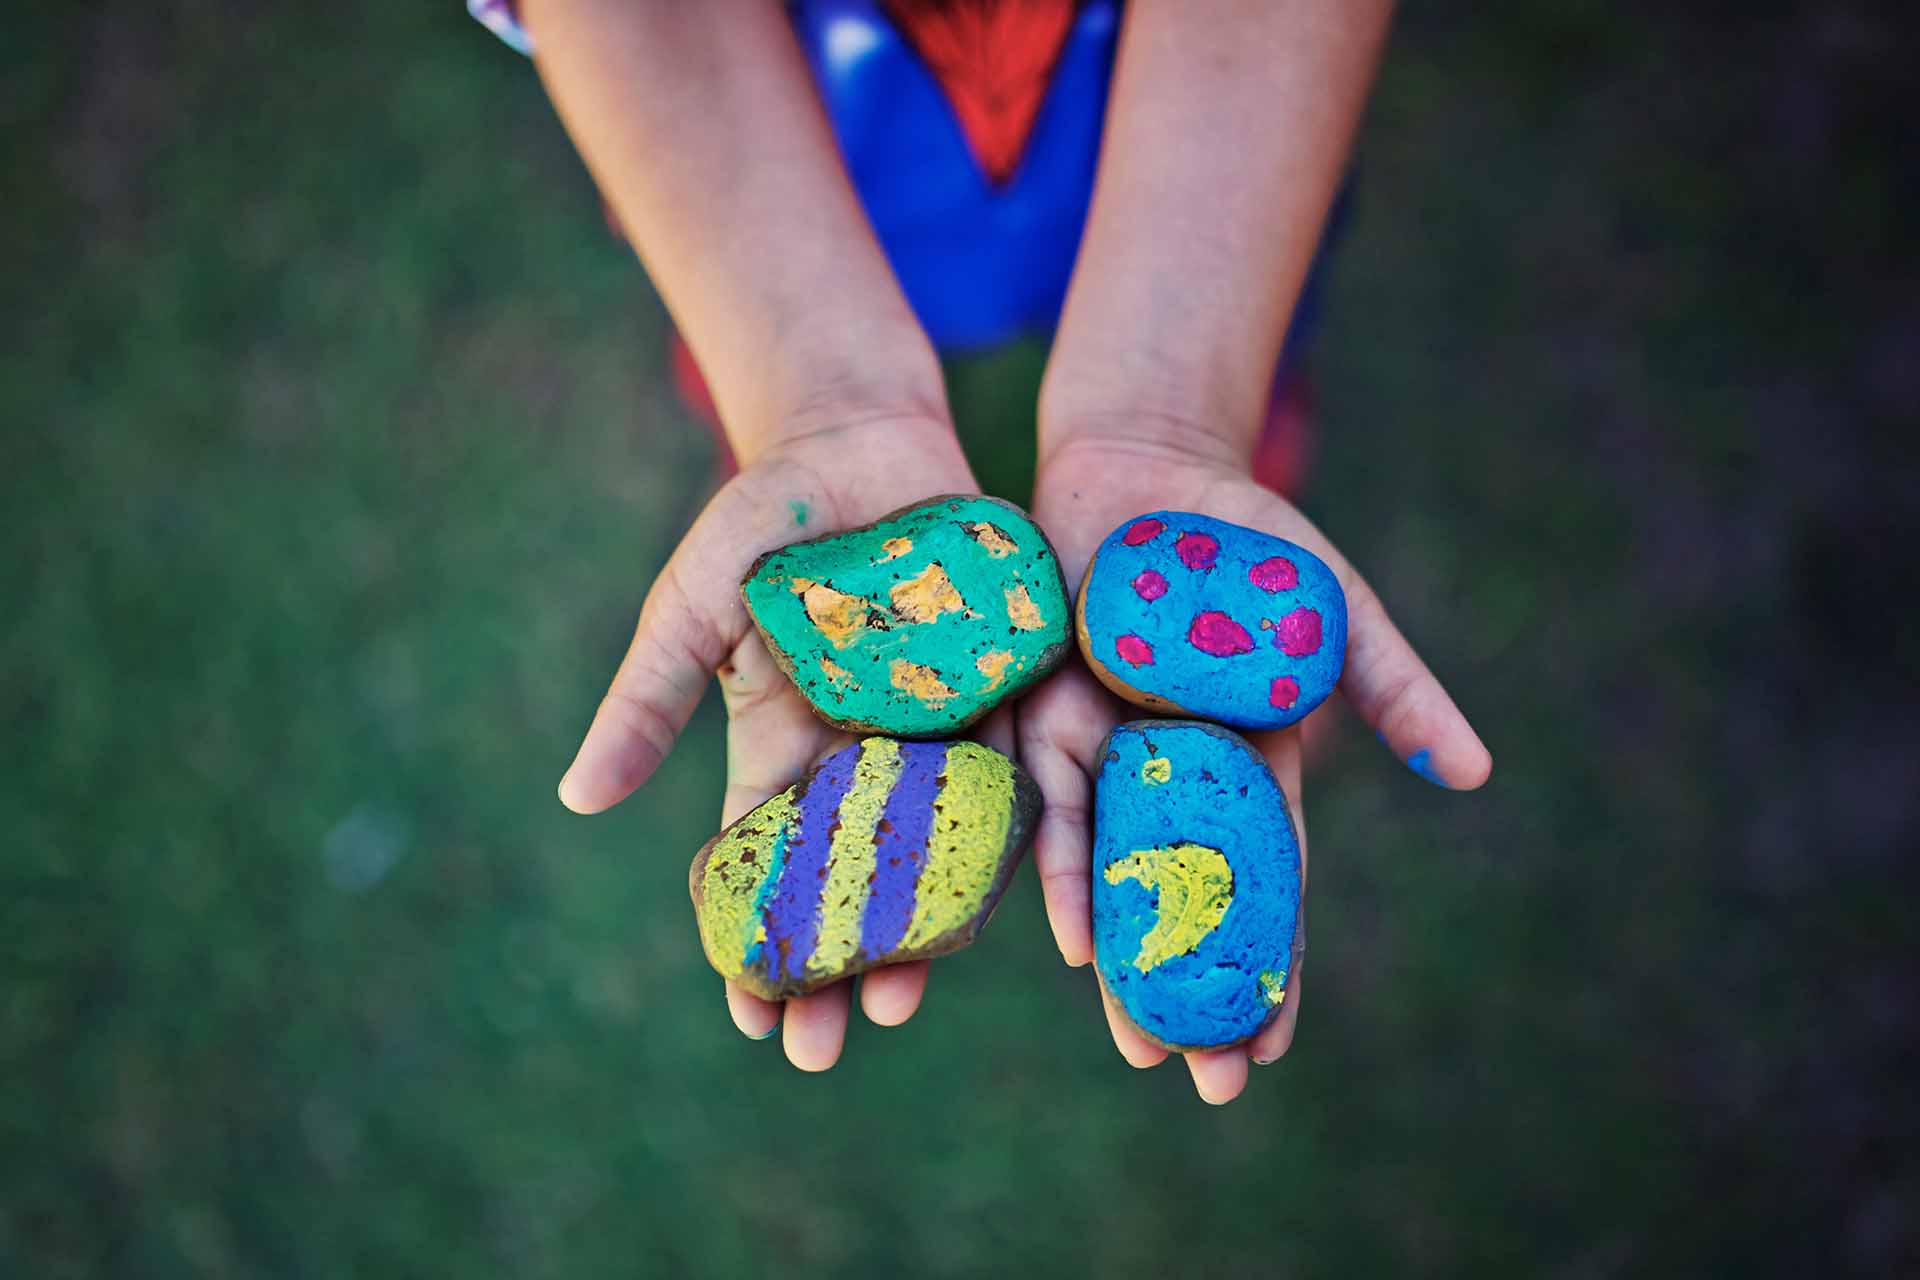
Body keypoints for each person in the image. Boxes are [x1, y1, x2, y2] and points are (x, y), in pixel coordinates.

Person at [477, 0, 1491, 1105]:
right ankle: (1202, 638)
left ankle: (1215, 635)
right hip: (781, 165)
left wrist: (1179, 399)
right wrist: (807, 390)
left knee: (1234, 464)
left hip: (1210, 156)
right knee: (804, 396)